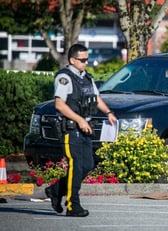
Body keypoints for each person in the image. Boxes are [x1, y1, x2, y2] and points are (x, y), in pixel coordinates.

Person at [45, 43, 117, 217]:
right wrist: (79, 120)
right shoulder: (65, 78)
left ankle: (55, 190)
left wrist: (108, 112)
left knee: (87, 165)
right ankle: (72, 206)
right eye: (82, 60)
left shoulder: (86, 78)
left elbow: (96, 98)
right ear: (72, 60)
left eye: (87, 59)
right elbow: (59, 104)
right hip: (71, 129)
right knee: (76, 166)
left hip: (85, 129)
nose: (86, 63)